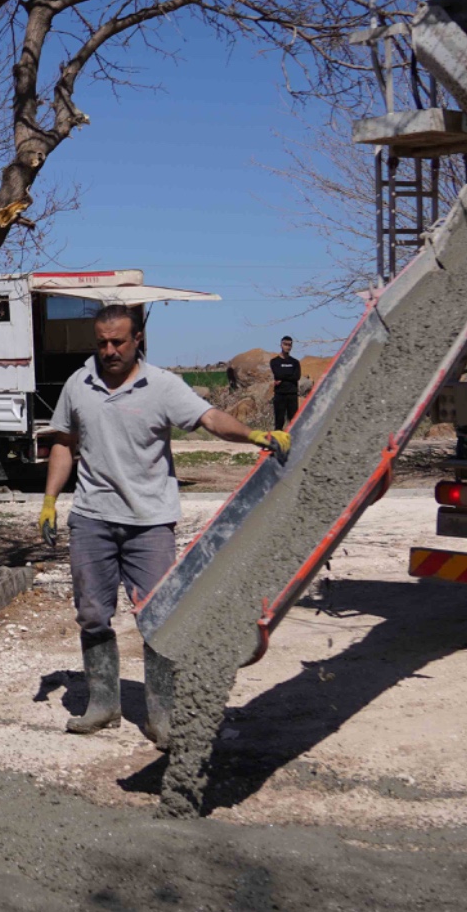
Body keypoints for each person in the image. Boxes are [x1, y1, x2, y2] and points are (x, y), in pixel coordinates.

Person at [37, 305, 286, 739]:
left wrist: (255, 436)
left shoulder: (163, 386)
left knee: (159, 617)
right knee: (93, 615)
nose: (109, 350)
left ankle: (162, 713)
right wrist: (49, 500)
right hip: (92, 520)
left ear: (138, 341)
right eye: (101, 342)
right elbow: (64, 443)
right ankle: (102, 704)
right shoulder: (80, 383)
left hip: (150, 523)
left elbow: (209, 419)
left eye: (118, 341)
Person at [270, 336, 304, 432]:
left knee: (293, 421)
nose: (287, 347)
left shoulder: (295, 362)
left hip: (292, 394)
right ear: (281, 345)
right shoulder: (274, 361)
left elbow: (296, 377)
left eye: (289, 345)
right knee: (279, 421)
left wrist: (282, 378)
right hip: (280, 394)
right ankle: (277, 442)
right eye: (285, 344)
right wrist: (289, 376)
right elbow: (277, 373)